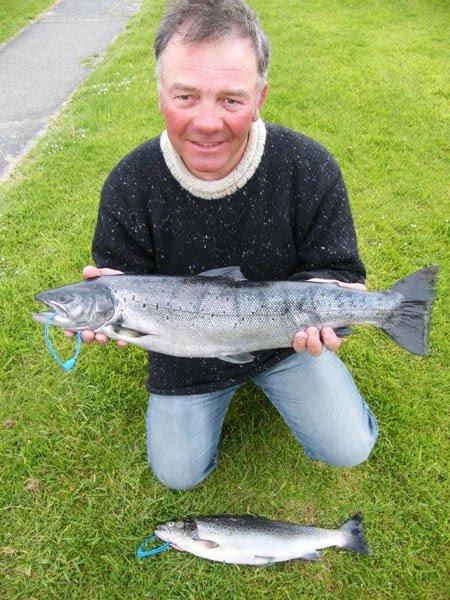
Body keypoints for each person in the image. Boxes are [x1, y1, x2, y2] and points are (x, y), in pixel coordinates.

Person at [73, 0, 378, 490]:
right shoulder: (131, 182)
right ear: (159, 96)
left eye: (231, 99)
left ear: (259, 98)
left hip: (285, 343)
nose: (208, 123)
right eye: (186, 96)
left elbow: (339, 268)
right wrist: (102, 306)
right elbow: (120, 276)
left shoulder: (309, 166)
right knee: (178, 474)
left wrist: (335, 294)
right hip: (182, 353)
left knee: (349, 447)